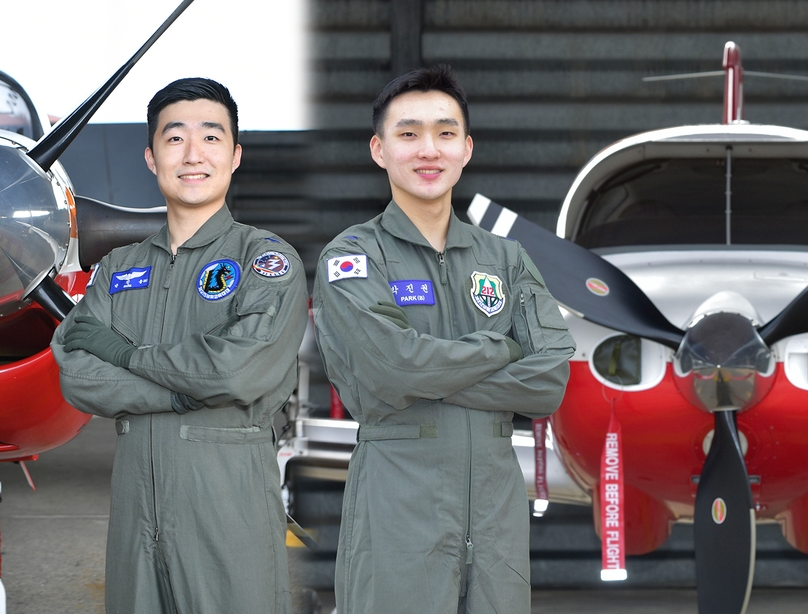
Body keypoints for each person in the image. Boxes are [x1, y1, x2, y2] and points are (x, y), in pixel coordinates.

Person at [312, 65, 576, 613]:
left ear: (466, 149)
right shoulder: (352, 257)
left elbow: (548, 381)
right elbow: (394, 370)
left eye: (445, 132)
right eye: (408, 133)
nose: (428, 149)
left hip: (496, 516)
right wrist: (502, 348)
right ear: (379, 149)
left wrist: (424, 375)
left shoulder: (505, 258)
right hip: (398, 506)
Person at [51, 78, 307, 614]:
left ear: (235, 156)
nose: (193, 155)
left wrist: (124, 355)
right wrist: (178, 395)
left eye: (211, 138)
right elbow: (74, 371)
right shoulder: (121, 267)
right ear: (151, 157)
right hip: (135, 512)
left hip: (227, 504)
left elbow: (236, 372)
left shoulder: (266, 261)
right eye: (174, 139)